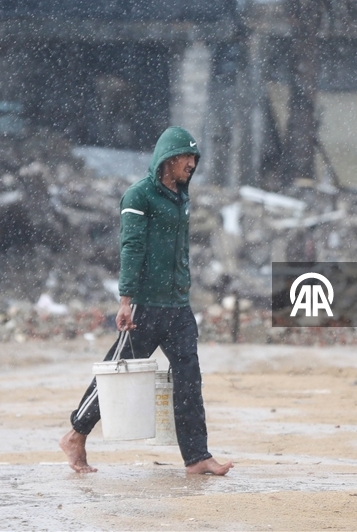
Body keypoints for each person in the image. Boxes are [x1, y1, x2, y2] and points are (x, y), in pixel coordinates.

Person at [59, 126, 233, 476]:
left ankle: (197, 456)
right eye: (186, 157)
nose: (192, 164)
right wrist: (126, 301)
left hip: (177, 306)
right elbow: (131, 248)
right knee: (116, 375)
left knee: (189, 378)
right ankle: (76, 434)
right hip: (144, 306)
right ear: (168, 159)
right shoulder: (138, 197)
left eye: (195, 158)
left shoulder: (181, 196)